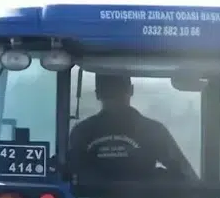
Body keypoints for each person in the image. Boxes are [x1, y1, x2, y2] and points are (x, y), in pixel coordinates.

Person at [67, 74, 199, 183]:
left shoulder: (82, 132)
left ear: (98, 94)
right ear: (131, 90)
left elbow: (68, 174)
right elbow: (185, 176)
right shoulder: (152, 130)